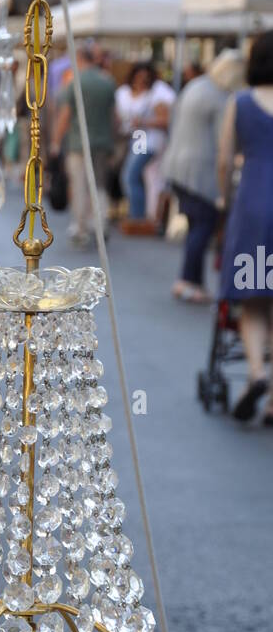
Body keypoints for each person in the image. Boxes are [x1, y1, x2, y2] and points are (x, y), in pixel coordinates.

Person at [217, 31, 273, 424]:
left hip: (254, 204)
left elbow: (223, 160)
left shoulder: (239, 102)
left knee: (253, 297)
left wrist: (224, 200)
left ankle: (257, 373)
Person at [162, 50, 245, 302]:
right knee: (203, 226)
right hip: (201, 170)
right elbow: (226, 143)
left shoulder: (196, 86)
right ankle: (188, 281)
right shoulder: (221, 98)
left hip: (178, 163)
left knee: (196, 225)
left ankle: (191, 281)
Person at [51, 41, 116, 247]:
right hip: (102, 142)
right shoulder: (107, 81)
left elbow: (65, 115)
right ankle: (100, 223)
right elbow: (114, 116)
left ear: (80, 59)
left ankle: (80, 227)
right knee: (99, 185)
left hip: (78, 143)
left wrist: (55, 142)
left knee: (78, 185)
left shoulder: (74, 82)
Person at [115, 62, 175, 220]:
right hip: (138, 137)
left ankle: (137, 215)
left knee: (130, 175)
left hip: (146, 138)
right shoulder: (126, 92)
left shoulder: (157, 94)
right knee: (144, 177)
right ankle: (142, 212)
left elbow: (165, 119)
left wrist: (142, 122)